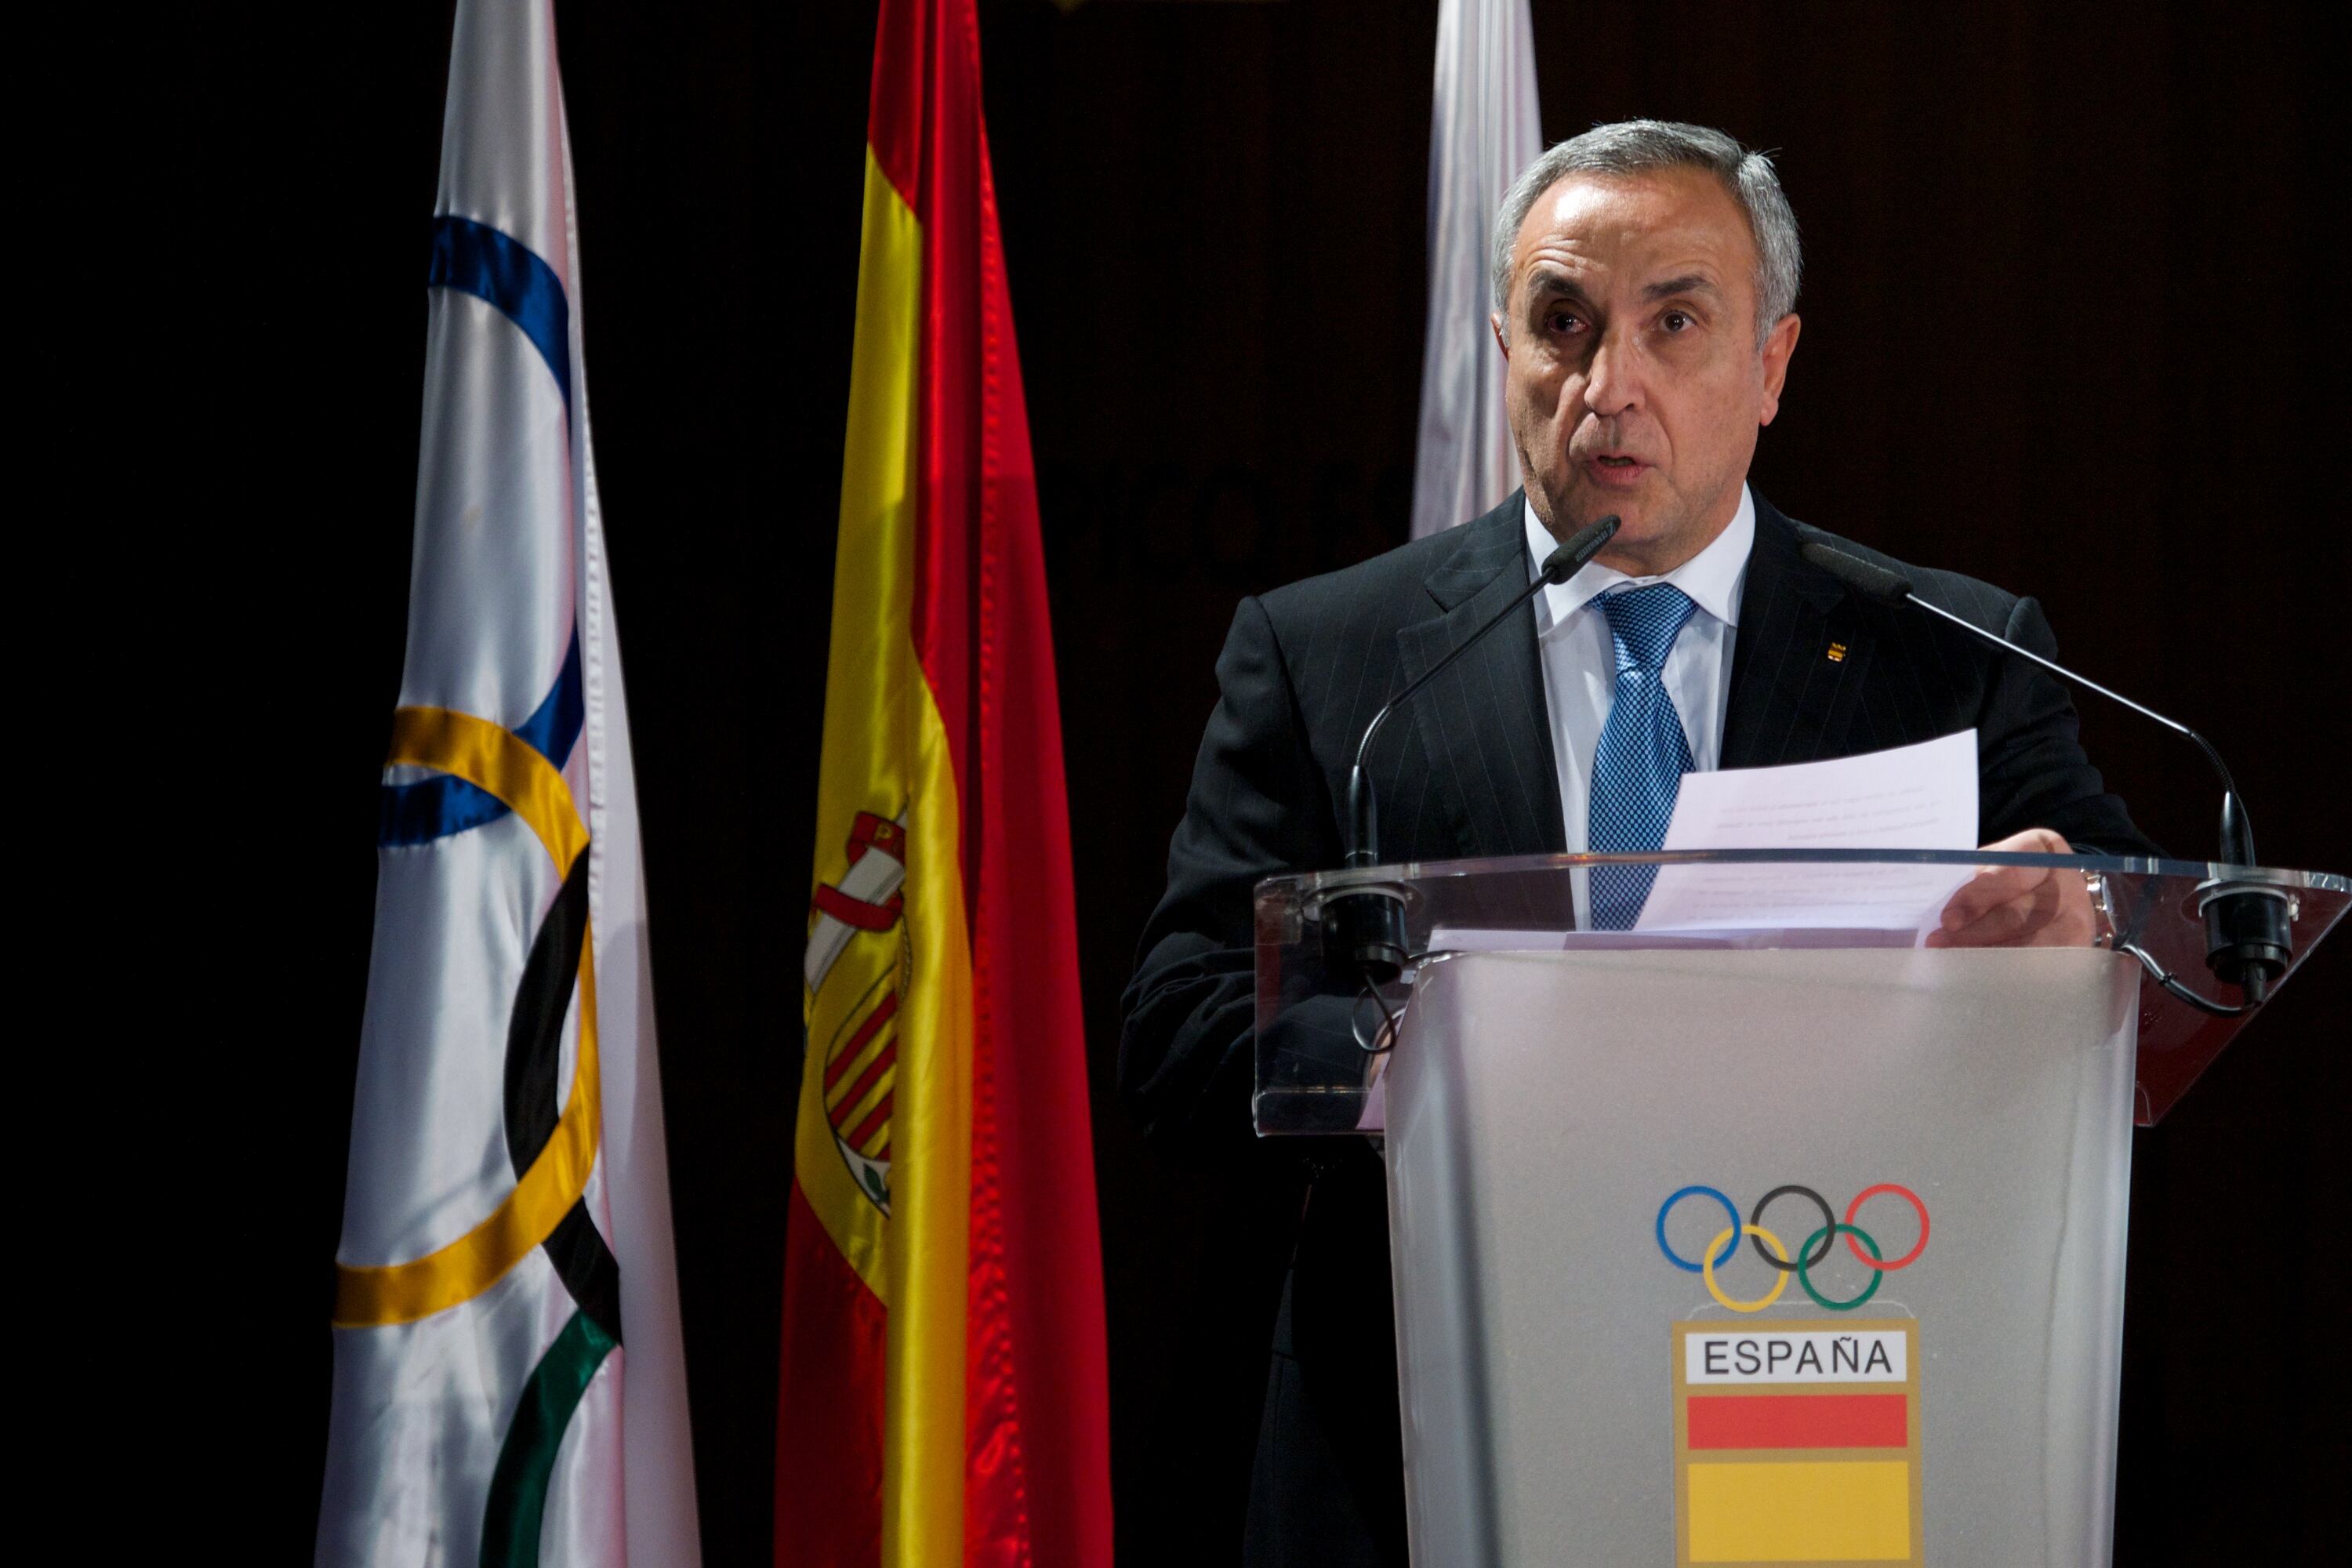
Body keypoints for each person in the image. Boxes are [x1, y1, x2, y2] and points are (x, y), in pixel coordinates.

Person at [1120, 120, 2159, 1566]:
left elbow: (2148, 953)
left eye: (1676, 321)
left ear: (1772, 364)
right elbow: (1175, 1036)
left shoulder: (1950, 654)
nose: (1612, 387)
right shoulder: (1335, 660)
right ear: (1506, 352)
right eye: (1564, 325)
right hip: (1431, 1419)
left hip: (1822, 1372)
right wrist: (1435, 1041)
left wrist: (2071, 918)